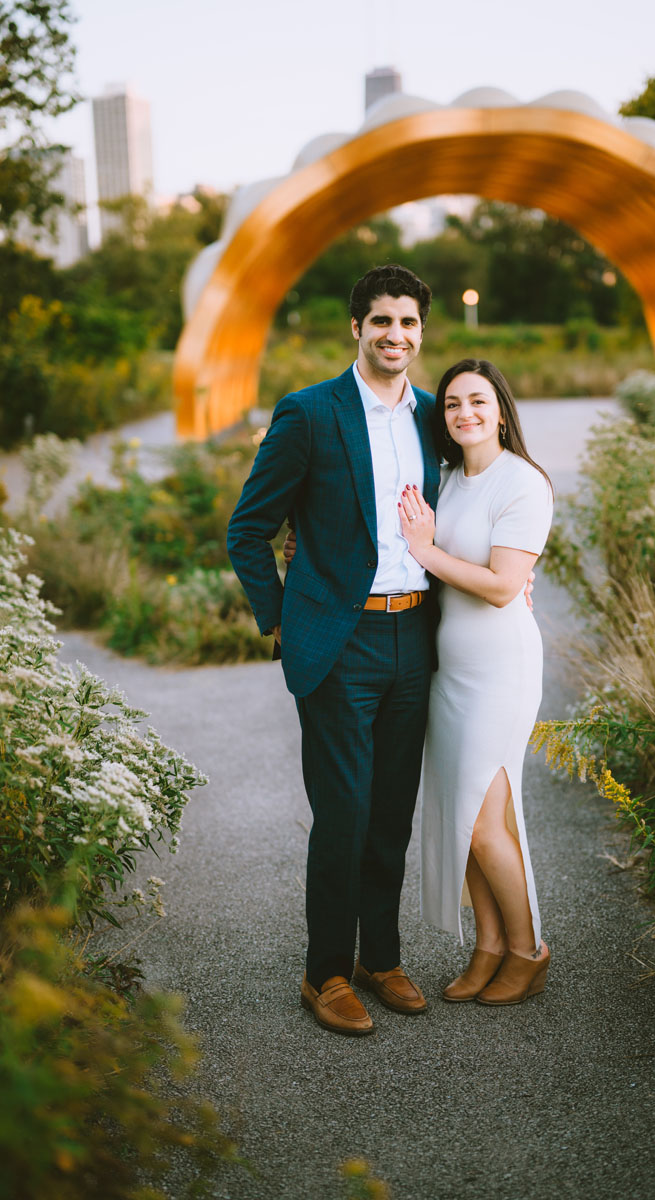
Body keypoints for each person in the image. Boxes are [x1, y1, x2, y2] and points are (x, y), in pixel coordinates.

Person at [227, 265, 440, 1036]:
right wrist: (284, 618)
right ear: (356, 327)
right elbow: (248, 529)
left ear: (421, 330)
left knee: (391, 815)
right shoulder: (311, 413)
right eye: (381, 321)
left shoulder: (433, 416)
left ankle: (380, 959)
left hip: (415, 632)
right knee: (345, 813)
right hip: (339, 641)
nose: (396, 336)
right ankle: (326, 974)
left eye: (409, 323)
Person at [397, 358, 553, 1005]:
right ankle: (486, 946)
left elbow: (500, 587)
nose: (464, 413)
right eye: (454, 404)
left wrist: (427, 552)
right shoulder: (449, 478)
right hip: (450, 671)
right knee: (462, 819)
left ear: (501, 410)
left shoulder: (524, 484)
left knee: (489, 826)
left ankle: (527, 951)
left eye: (477, 401)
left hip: (500, 670)